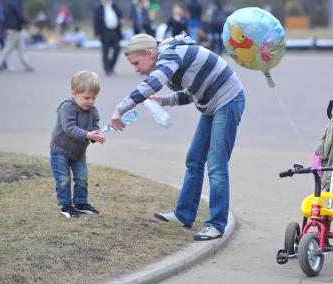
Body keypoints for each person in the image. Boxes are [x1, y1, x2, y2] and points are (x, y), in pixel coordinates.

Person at [110, 33, 245, 241]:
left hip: (228, 100)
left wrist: (120, 109)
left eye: (136, 63)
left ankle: (216, 224)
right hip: (213, 104)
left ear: (150, 53)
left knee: (217, 165)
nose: (135, 69)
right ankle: (184, 215)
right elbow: (195, 89)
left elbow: (152, 84)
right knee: (194, 160)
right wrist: (165, 101)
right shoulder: (169, 54)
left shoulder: (170, 54)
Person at [50, 70, 105, 218]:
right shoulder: (67, 107)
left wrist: (96, 135)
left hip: (78, 153)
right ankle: (65, 206)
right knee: (64, 179)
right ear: (74, 93)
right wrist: (87, 135)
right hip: (60, 151)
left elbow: (94, 126)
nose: (91, 102)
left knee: (82, 178)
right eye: (86, 97)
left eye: (94, 98)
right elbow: (69, 128)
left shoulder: (93, 111)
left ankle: (81, 202)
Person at [0, 0, 34, 72]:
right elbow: (19, 14)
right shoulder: (16, 3)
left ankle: (27, 65)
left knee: (21, 48)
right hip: (14, 28)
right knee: (9, 47)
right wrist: (26, 22)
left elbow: (4, 15)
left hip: (11, 27)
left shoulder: (9, 3)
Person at [93, 0, 123, 76]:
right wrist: (97, 33)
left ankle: (111, 66)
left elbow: (120, 15)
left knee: (117, 49)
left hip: (115, 31)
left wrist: (122, 20)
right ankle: (107, 70)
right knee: (105, 51)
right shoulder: (98, 8)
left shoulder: (114, 6)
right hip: (104, 32)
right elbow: (95, 21)